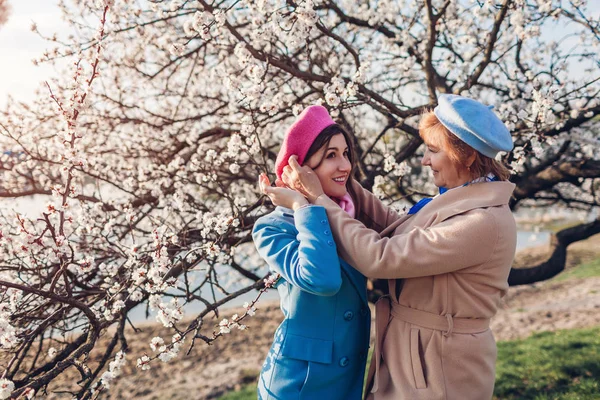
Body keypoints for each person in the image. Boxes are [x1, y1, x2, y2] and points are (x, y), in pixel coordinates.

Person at [280, 94, 517, 400]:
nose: (425, 160)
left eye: (433, 151)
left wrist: (319, 200)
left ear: (467, 157)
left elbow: (383, 256)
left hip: (440, 366)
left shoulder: (483, 222)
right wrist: (343, 179)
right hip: (415, 352)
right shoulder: (462, 199)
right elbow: (397, 227)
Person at [252, 105, 370, 400]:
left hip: (346, 382)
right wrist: (303, 206)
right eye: (331, 156)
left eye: (345, 154)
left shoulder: (349, 214)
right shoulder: (272, 227)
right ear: (300, 169)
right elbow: (322, 280)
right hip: (299, 386)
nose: (345, 165)